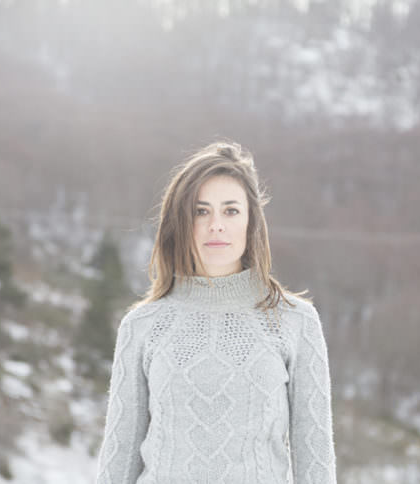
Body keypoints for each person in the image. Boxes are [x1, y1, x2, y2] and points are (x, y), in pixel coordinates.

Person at [94, 141, 337, 484]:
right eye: (201, 211)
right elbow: (118, 463)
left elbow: (316, 464)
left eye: (231, 210)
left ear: (251, 221)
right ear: (181, 222)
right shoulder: (142, 327)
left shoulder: (295, 321)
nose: (216, 225)